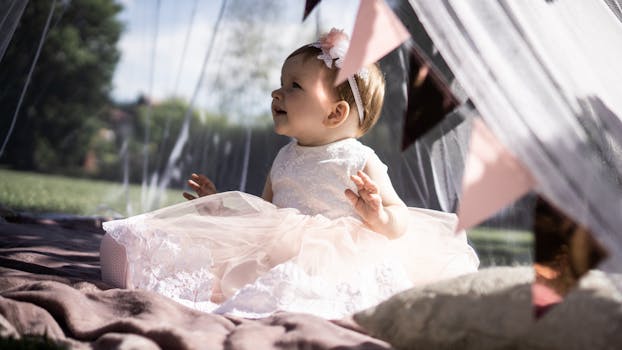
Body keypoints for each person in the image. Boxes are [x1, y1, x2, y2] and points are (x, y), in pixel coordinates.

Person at [100, 28, 479, 319]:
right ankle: (138, 264)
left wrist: (378, 214)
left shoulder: (359, 160)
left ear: (335, 114)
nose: (276, 94)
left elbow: (399, 224)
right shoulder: (284, 157)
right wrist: (219, 207)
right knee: (130, 246)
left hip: (341, 255)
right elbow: (262, 215)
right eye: (281, 84)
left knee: (315, 291)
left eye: (293, 86)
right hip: (279, 248)